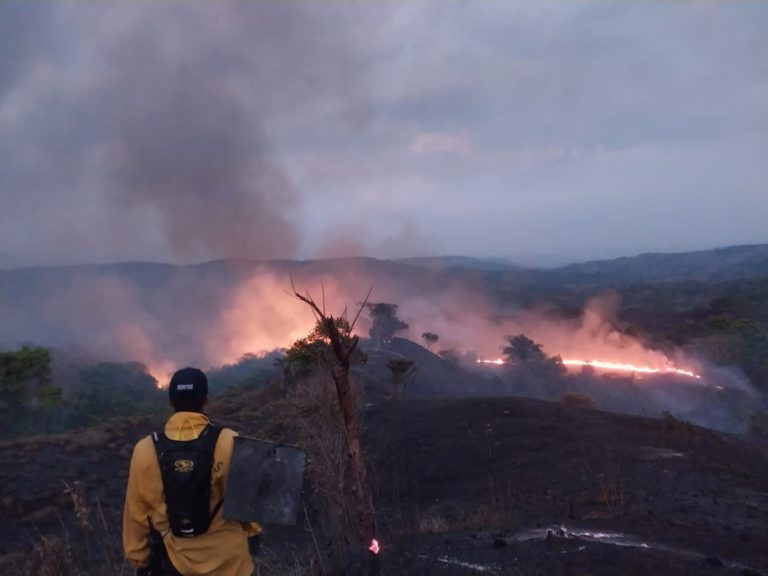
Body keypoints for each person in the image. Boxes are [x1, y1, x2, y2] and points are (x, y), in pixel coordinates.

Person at [123, 367, 261, 576]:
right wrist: (253, 533)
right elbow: (247, 505)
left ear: (171, 401)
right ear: (205, 400)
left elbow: (136, 513)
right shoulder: (229, 441)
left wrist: (140, 558)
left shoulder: (146, 450)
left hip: (174, 564)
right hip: (232, 564)